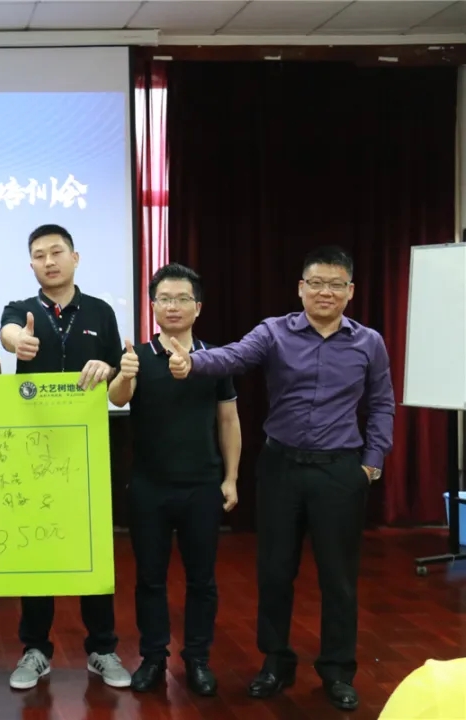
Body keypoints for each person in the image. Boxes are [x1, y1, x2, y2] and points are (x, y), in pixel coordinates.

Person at [168, 246, 394, 711]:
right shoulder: (275, 331)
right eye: (316, 283)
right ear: (301, 288)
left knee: (339, 578)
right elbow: (233, 357)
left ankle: (337, 670)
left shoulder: (369, 342)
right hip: (281, 469)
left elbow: (382, 403)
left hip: (340, 471)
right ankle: (275, 662)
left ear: (350, 291)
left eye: (336, 284)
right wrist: (193, 362)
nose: (325, 292)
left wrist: (371, 463)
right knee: (274, 571)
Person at [0, 224, 131, 691]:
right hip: (32, 448)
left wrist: (108, 368)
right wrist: (18, 341)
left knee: (93, 546)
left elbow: (118, 378)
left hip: (87, 448)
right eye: (39, 255)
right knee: (36, 548)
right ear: (31, 264)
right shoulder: (20, 310)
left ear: (75, 257)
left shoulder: (100, 311)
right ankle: (35, 649)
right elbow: (9, 334)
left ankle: (102, 648)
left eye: (57, 252)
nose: (49, 261)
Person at [107, 262, 241, 696]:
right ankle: (152, 657)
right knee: (149, 578)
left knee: (202, 580)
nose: (173, 306)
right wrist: (125, 373)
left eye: (183, 298)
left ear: (197, 307)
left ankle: (198, 659)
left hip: (202, 485)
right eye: (165, 298)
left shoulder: (214, 359)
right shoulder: (139, 356)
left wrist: (231, 478)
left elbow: (228, 420)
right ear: (153, 306)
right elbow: (117, 399)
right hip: (149, 486)